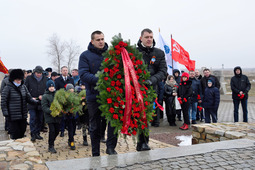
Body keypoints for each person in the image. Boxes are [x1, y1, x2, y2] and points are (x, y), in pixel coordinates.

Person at [78, 30, 117, 156]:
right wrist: (103, 80)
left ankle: (110, 148)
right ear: (92, 41)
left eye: (102, 39)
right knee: (94, 126)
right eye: (98, 40)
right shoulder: (85, 56)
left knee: (113, 122)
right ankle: (95, 152)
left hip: (111, 95)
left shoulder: (111, 55)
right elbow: (83, 74)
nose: (101, 42)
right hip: (94, 96)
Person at [137, 28, 167, 150]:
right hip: (135, 89)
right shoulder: (133, 52)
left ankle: (144, 142)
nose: (149, 39)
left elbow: (163, 71)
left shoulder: (159, 53)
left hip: (150, 89)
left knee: (145, 116)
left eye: (151, 37)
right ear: (141, 38)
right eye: (146, 37)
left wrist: (151, 80)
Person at [1, 69, 38, 139]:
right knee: (15, 135)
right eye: (17, 80)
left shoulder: (23, 87)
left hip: (22, 116)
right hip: (13, 117)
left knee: (22, 132)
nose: (19, 81)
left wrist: (37, 102)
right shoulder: (7, 88)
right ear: (13, 79)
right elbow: (3, 102)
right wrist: (6, 113)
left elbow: (28, 98)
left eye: (20, 80)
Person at [25, 66, 47, 142]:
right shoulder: (29, 78)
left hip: (41, 102)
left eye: (40, 73)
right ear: (35, 72)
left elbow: (47, 90)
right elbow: (25, 89)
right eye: (38, 73)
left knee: (40, 119)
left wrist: (43, 96)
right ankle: (33, 134)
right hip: (32, 102)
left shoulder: (45, 79)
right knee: (33, 118)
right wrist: (30, 97)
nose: (39, 74)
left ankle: (37, 133)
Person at [41, 80, 61, 153]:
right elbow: (44, 107)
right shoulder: (45, 96)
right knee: (52, 131)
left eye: (52, 86)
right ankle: (51, 146)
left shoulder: (57, 95)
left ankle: (52, 141)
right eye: (50, 87)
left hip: (58, 116)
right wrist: (52, 111)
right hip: (49, 116)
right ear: (47, 87)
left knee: (57, 131)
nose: (52, 88)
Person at [55, 66, 74, 137]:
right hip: (61, 100)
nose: (65, 71)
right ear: (61, 71)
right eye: (64, 70)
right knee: (62, 116)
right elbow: (56, 90)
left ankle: (70, 130)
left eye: (66, 70)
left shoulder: (71, 79)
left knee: (69, 115)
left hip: (69, 100)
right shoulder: (57, 80)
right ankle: (62, 130)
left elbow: (73, 89)